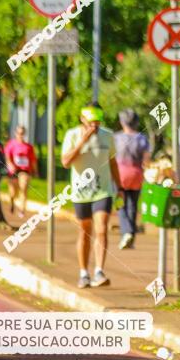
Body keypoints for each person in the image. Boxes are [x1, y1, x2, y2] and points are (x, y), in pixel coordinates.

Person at [61, 103, 123, 288]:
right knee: (85, 231)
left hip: (103, 191)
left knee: (102, 228)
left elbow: (113, 163)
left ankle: (99, 271)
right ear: (83, 119)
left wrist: (120, 187)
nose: (94, 126)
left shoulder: (108, 136)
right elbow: (65, 162)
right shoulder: (72, 135)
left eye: (97, 122)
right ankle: (83, 273)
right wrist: (82, 141)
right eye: (91, 123)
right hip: (81, 192)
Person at [114, 109, 151, 249]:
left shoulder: (116, 137)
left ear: (122, 122)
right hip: (136, 174)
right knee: (133, 206)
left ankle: (127, 231)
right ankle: (131, 237)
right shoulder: (142, 138)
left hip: (119, 175)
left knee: (119, 204)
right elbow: (146, 160)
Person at [4, 125, 38, 218]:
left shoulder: (29, 147)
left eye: (22, 133)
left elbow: (33, 160)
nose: (21, 135)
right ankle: (12, 201)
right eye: (19, 133)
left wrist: (35, 171)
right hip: (13, 171)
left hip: (24, 171)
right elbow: (7, 156)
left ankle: (22, 210)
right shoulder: (11, 144)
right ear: (16, 133)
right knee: (13, 192)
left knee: (23, 188)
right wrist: (10, 164)